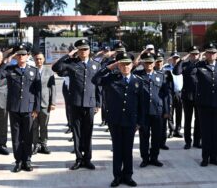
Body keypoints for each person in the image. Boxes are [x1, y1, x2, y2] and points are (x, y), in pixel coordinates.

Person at [92, 52, 143, 187]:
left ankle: (128, 176)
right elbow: (95, 80)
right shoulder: (111, 78)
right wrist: (110, 67)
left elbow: (141, 104)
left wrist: (139, 122)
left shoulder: (138, 81)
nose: (125, 67)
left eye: (127, 64)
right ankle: (117, 177)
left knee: (128, 150)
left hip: (131, 121)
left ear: (132, 65)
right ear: (118, 65)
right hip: (115, 120)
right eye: (122, 64)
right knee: (117, 150)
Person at [52, 39, 101, 170]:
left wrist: (98, 103)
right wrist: (68, 55)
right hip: (75, 103)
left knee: (88, 132)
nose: (83, 52)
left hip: (90, 103)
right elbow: (55, 68)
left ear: (89, 50)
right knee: (77, 133)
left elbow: (98, 86)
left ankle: (88, 159)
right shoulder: (71, 63)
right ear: (77, 51)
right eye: (80, 49)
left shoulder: (96, 65)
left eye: (85, 49)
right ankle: (79, 159)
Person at [0, 44, 41, 172]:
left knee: (28, 136)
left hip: (29, 109)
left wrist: (37, 108)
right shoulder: (10, 69)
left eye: (23, 54)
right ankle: (18, 161)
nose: (21, 56)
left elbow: (38, 92)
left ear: (28, 56)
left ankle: (27, 160)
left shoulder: (34, 70)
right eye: (18, 54)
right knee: (16, 136)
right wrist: (7, 59)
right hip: (14, 108)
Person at [134, 52, 171, 168]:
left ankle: (154, 158)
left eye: (151, 62)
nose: (149, 64)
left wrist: (167, 111)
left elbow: (166, 95)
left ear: (154, 63)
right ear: (143, 63)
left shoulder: (161, 76)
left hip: (158, 112)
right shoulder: (137, 75)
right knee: (144, 137)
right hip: (143, 112)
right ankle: (145, 158)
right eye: (146, 62)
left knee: (157, 136)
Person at [173, 46, 202, 149]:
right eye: (192, 54)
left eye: (196, 54)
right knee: (188, 120)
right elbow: (176, 72)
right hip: (187, 96)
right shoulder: (184, 65)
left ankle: (197, 141)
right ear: (189, 54)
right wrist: (182, 60)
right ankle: (188, 141)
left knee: (198, 120)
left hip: (199, 95)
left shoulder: (201, 64)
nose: (195, 56)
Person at [32, 52, 56, 155]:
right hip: (33, 103)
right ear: (34, 60)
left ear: (44, 59)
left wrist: (53, 103)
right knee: (34, 126)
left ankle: (44, 144)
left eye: (41, 59)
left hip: (45, 103)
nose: (39, 61)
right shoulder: (31, 71)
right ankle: (36, 145)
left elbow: (53, 88)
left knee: (44, 125)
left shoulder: (49, 71)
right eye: (37, 59)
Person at [154, 52, 173, 150]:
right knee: (155, 127)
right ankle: (155, 143)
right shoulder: (151, 73)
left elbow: (170, 91)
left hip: (164, 102)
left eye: (160, 61)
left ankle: (162, 143)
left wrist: (169, 106)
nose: (159, 63)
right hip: (154, 103)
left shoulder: (167, 73)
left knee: (164, 125)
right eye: (157, 61)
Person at [163, 52, 183, 138]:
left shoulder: (182, 67)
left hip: (179, 93)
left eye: (177, 58)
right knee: (170, 113)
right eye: (174, 58)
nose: (175, 60)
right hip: (170, 93)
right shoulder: (166, 67)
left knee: (179, 113)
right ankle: (171, 130)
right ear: (170, 59)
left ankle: (177, 131)